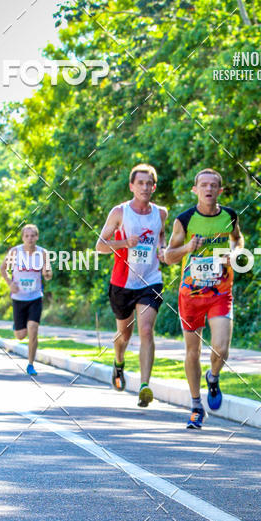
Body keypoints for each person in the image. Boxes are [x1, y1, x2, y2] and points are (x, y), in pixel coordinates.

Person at [166, 168, 244, 429]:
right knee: (193, 351)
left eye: (213, 186)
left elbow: (238, 239)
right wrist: (188, 248)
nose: (208, 189)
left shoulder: (229, 216)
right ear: (195, 190)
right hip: (191, 295)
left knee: (221, 348)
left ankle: (213, 376)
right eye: (204, 185)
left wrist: (234, 253)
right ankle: (196, 405)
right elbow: (169, 255)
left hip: (220, 291)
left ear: (220, 191)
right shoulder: (185, 220)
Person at [96, 164, 167, 407]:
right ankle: (118, 362)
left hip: (151, 281)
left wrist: (164, 250)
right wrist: (126, 242)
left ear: (154, 187)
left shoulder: (161, 213)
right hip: (122, 282)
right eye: (140, 183)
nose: (145, 187)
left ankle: (145, 385)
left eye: (149, 183)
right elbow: (100, 246)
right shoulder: (119, 212)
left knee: (146, 330)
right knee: (124, 335)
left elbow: (161, 238)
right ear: (131, 186)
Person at [0, 224, 52, 377]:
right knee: (20, 335)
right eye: (26, 236)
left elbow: (48, 274)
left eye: (32, 236)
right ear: (23, 238)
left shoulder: (43, 253)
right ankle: (17, 325)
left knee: (33, 329)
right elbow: (3, 269)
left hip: (35, 296)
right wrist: (10, 283)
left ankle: (30, 364)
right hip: (18, 297)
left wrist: (47, 273)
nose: (30, 239)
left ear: (37, 237)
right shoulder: (15, 252)